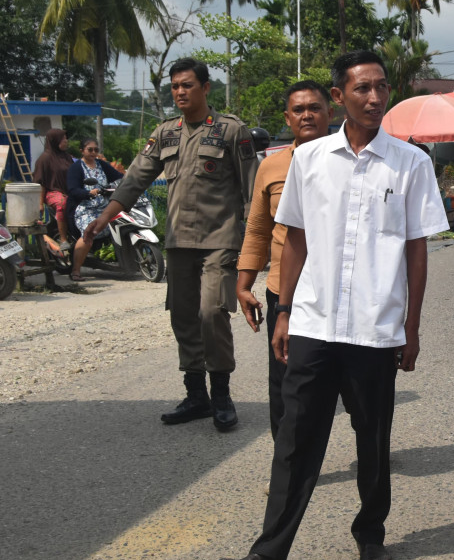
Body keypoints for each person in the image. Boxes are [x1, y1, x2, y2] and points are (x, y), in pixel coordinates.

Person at [220, 50, 448, 560]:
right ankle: (271, 552)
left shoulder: (411, 163)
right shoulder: (309, 159)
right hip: (314, 324)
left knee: (373, 439)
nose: (374, 97)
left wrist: (410, 330)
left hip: (374, 328)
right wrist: (283, 312)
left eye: (381, 87)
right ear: (339, 96)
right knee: (296, 439)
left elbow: (416, 251)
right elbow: (294, 240)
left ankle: (371, 534)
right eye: (362, 88)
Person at [85, 58, 257, 430]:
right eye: (175, 86)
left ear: (205, 88)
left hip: (220, 239)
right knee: (182, 315)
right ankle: (196, 395)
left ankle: (222, 394)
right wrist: (104, 217)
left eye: (188, 85)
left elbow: (251, 192)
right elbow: (134, 180)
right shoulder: (164, 133)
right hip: (179, 241)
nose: (180, 92)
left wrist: (257, 245)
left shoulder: (230, 130)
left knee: (212, 313)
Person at [234, 81, 333, 442]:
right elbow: (258, 230)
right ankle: (287, 465)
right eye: (298, 109)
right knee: (285, 384)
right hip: (285, 293)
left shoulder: (350, 163)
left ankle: (371, 455)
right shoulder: (271, 167)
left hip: (338, 291)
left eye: (315, 108)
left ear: (330, 113)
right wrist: (244, 284)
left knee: (352, 384)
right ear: (287, 118)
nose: (307, 114)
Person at [66, 138, 124, 281]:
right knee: (89, 234)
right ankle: (76, 270)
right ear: (82, 151)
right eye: (90, 150)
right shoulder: (76, 168)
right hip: (85, 209)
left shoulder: (102, 165)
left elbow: (119, 177)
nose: (93, 153)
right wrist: (88, 193)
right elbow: (72, 190)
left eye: (96, 150)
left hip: (105, 207)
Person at [32, 128, 74, 253]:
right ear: (55, 141)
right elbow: (40, 183)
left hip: (68, 191)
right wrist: (39, 203)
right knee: (62, 203)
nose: (66, 141)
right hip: (52, 192)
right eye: (63, 139)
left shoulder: (67, 157)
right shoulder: (44, 159)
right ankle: (63, 239)